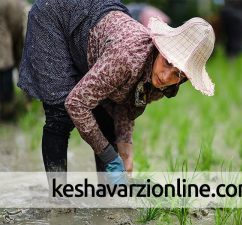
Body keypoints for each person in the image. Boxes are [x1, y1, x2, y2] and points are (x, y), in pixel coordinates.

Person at [18, 0, 215, 179]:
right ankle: (58, 201)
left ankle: (107, 196)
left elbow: (126, 104)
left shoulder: (164, 81)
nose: (165, 77)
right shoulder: (127, 58)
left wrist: (125, 149)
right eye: (168, 62)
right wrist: (109, 155)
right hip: (55, 14)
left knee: (107, 117)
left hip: (91, 28)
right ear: (160, 49)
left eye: (178, 74)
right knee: (59, 115)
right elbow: (76, 103)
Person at [0, 0, 25, 120]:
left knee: (4, 59)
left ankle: (7, 109)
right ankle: (29, 99)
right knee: (19, 55)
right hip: (18, 6)